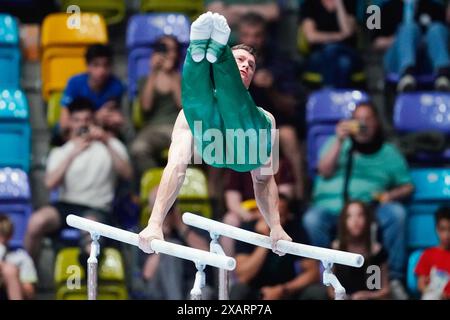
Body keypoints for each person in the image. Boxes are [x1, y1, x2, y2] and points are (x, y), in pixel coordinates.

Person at [138, 12, 292, 256]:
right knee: (198, 105)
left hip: (246, 152)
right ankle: (199, 51)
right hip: (213, 147)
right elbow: (176, 166)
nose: (245, 66)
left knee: (235, 108)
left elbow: (263, 180)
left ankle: (215, 55)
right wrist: (155, 223)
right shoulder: (190, 115)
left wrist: (276, 227)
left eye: (250, 65)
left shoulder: (267, 119)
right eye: (239, 60)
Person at [302, 102, 414, 298]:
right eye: (358, 119)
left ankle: (394, 278)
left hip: (368, 210)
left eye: (367, 119)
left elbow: (408, 185)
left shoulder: (388, 153)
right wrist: (338, 140)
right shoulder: (339, 143)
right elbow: (324, 170)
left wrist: (390, 196)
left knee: (397, 213)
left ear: (377, 123)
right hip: (331, 209)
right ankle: (324, 275)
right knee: (312, 219)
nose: (362, 124)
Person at [24, 98, 132, 261]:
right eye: (77, 120)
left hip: (97, 207)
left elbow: (127, 174)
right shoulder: (61, 151)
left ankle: (87, 274)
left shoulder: (111, 145)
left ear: (94, 121)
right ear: (70, 124)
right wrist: (73, 153)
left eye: (87, 120)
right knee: (36, 222)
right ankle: (28, 272)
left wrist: (106, 140)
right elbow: (49, 184)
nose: (82, 124)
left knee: (89, 232)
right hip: (66, 205)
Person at [237, 12, 306, 199]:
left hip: (272, 124)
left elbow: (291, 106)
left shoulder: (280, 62)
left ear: (265, 37)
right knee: (214, 137)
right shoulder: (227, 62)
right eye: (246, 35)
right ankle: (216, 202)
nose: (251, 40)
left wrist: (271, 88)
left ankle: (300, 198)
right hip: (239, 124)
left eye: (257, 35)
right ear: (239, 36)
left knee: (289, 136)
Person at [230, 194, 327, 300]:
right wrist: (266, 240)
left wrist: (282, 289)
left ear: (287, 215)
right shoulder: (247, 229)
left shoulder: (295, 229)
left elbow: (313, 272)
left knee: (316, 292)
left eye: (280, 215)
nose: (275, 220)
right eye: (270, 215)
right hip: (255, 291)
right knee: (238, 290)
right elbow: (243, 276)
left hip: (286, 290)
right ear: (260, 212)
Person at [130, 36, 182, 180]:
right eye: (164, 49)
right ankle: (157, 183)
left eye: (172, 50)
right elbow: (146, 106)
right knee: (138, 148)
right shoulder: (146, 80)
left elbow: (182, 105)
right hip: (153, 129)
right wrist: (153, 71)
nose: (168, 53)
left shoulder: (180, 78)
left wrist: (173, 75)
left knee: (194, 152)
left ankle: (180, 186)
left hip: (177, 129)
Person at [372, 0, 450, 92]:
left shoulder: (436, 7)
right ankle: (407, 73)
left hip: (427, 61)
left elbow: (442, 39)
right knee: (409, 29)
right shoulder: (381, 9)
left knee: (437, 29)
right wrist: (402, 39)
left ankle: (443, 74)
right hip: (396, 60)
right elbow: (376, 43)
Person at [141, 202, 212, 299]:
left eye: (168, 211)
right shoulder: (147, 234)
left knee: (204, 292)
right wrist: (164, 240)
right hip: (160, 287)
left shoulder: (188, 227)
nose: (165, 216)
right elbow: (148, 274)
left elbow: (207, 253)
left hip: (189, 283)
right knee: (171, 247)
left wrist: (181, 227)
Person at [59, 44, 125, 136]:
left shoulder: (116, 86)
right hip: (75, 133)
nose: (101, 70)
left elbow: (118, 120)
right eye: (96, 65)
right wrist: (95, 118)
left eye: (106, 65)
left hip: (101, 133)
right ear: (87, 66)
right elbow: (64, 124)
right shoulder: (74, 83)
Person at [331, 201, 390, 300]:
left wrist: (368, 296)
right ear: (343, 221)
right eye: (349, 216)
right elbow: (329, 289)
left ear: (368, 219)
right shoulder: (334, 250)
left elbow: (385, 290)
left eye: (360, 215)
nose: (355, 220)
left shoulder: (377, 251)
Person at [300, 0, 363, 88]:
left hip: (346, 50)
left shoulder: (349, 3)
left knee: (335, 53)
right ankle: (339, 99)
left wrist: (339, 4)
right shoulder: (309, 4)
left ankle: (328, 94)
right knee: (343, 63)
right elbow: (311, 37)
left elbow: (347, 31)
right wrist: (338, 37)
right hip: (319, 52)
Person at [205, 0, 280, 45]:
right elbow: (216, 16)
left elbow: (272, 13)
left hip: (260, 48)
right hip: (224, 49)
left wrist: (234, 9)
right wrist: (256, 12)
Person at [415, 207, 450, 300]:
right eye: (443, 229)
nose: (447, 235)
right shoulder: (428, 254)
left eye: (449, 230)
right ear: (437, 229)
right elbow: (420, 284)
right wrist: (429, 290)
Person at [0, 214, 37, 300]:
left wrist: (13, 277)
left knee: (9, 270)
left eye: (3, 233)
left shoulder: (21, 257)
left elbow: (30, 294)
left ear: (10, 235)